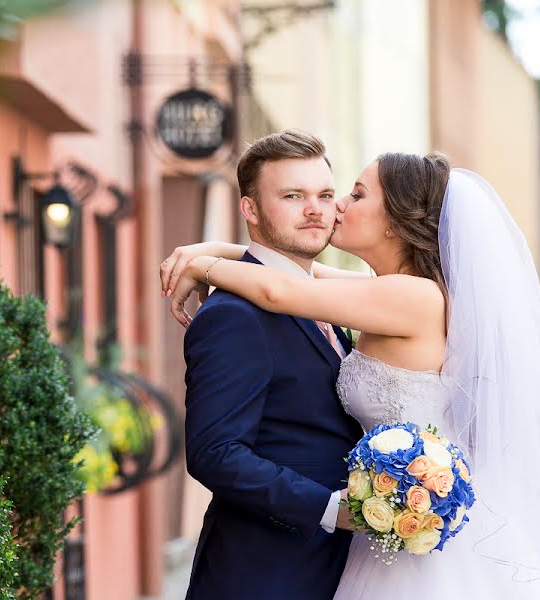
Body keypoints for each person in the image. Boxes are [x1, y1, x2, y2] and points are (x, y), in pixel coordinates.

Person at [162, 151, 540, 599]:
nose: (336, 205)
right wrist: (216, 250)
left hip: (420, 537)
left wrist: (203, 265)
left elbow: (279, 290)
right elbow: (305, 275)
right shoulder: (388, 292)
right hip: (379, 531)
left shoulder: (412, 298)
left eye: (354, 195)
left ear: (394, 221)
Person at [170, 130, 363, 599]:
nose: (315, 210)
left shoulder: (325, 300)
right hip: (263, 573)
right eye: (293, 196)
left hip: (336, 568)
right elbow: (215, 454)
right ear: (251, 209)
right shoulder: (233, 317)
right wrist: (330, 509)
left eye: (323, 195)